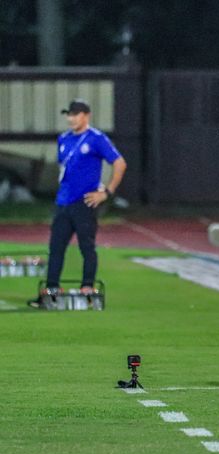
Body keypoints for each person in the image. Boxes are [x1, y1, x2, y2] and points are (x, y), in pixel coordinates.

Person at [28, 99, 127, 307]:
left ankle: (87, 289)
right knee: (55, 248)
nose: (71, 118)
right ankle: (51, 291)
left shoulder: (96, 138)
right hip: (63, 202)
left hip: (85, 203)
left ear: (86, 115)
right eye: (69, 114)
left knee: (86, 248)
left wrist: (106, 192)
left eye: (75, 114)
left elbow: (119, 163)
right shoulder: (63, 139)